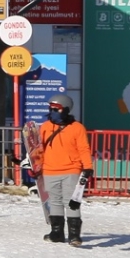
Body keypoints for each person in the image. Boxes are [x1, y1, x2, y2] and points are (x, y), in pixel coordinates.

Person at [35, 93, 92, 246]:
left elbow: (83, 149)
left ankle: (74, 235)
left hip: (71, 170)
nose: (52, 111)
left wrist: (87, 167)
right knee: (55, 202)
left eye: (56, 109)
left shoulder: (77, 128)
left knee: (71, 201)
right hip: (50, 170)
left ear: (66, 109)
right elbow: (38, 149)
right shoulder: (46, 127)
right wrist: (35, 165)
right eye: (50, 108)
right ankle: (57, 233)